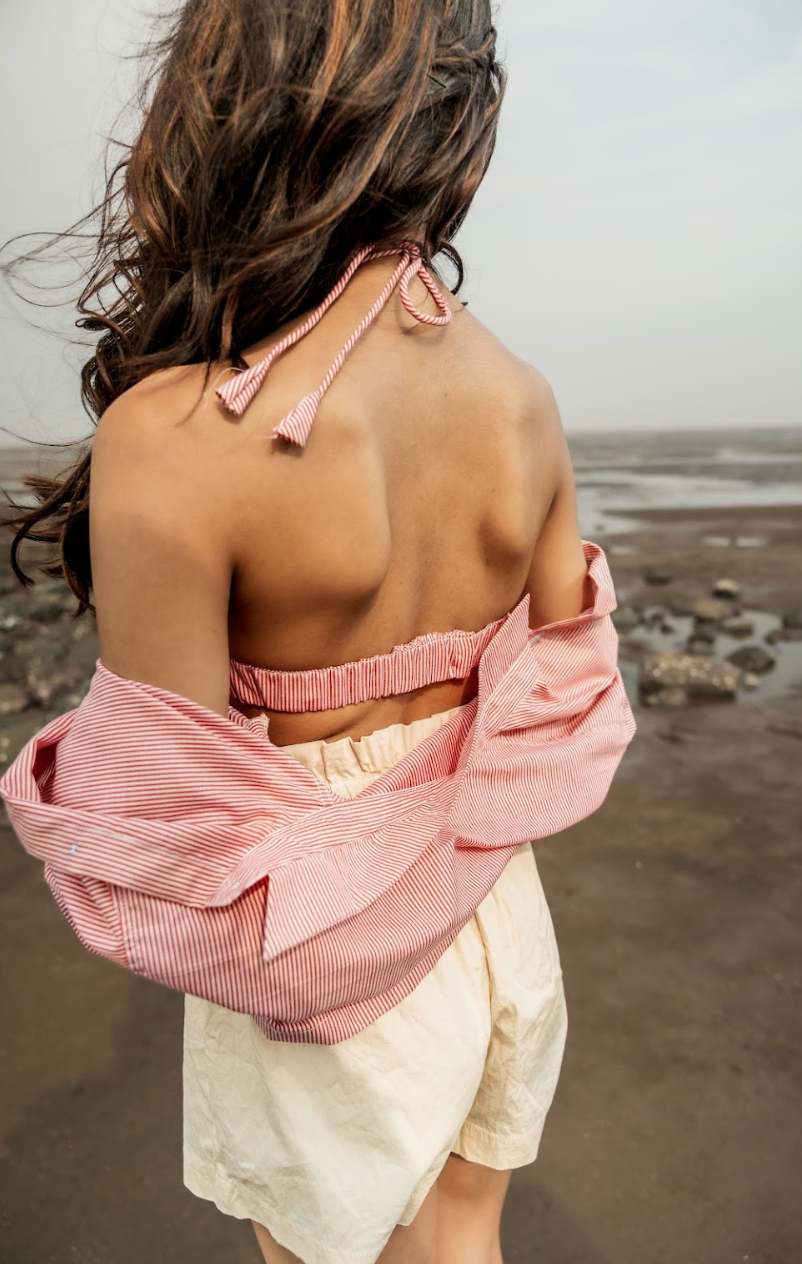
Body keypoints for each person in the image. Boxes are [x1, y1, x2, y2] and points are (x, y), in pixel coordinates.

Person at [0, 3, 636, 1262]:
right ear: (456, 119)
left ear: (226, 104)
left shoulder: (174, 435)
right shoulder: (521, 398)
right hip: (495, 909)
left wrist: (367, 846)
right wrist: (447, 818)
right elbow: (567, 699)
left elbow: (167, 835)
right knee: (465, 1239)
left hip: (313, 939)